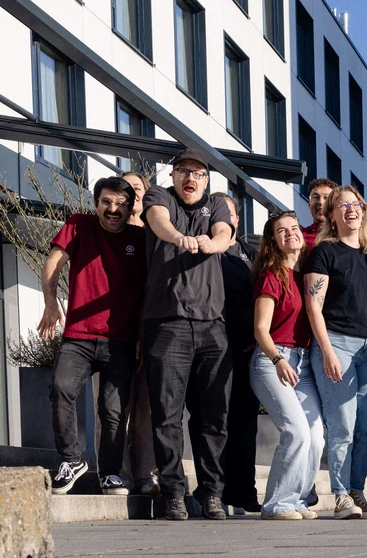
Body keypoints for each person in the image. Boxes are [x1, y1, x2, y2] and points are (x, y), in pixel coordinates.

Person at [141, 149, 236, 520]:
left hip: (214, 326)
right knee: (168, 414)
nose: (190, 179)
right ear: (175, 175)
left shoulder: (216, 205)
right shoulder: (160, 196)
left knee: (215, 415)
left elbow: (224, 232)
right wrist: (180, 238)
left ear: (207, 179)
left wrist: (214, 243)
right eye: (183, 172)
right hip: (168, 323)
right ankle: (173, 494)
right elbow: (158, 221)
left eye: (197, 173)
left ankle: (212, 493)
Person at [40, 176, 146, 496]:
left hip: (122, 341)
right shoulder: (78, 225)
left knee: (113, 411)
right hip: (79, 337)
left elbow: (148, 291)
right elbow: (53, 264)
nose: (113, 209)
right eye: (106, 202)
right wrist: (50, 303)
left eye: (120, 204)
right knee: (61, 389)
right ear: (96, 203)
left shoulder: (141, 239)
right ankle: (71, 460)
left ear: (130, 207)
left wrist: (143, 335)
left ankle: (110, 473)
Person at [303, 185, 367, 519]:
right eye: (343, 205)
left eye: (356, 204)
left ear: (363, 212)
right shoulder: (324, 253)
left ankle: (357, 493)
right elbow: (313, 305)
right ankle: (339, 496)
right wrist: (326, 351)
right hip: (335, 343)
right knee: (342, 425)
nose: (351, 209)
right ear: (333, 214)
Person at [248, 211, 321, 521]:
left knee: (316, 435)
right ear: (273, 241)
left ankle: (298, 499)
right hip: (272, 359)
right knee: (295, 431)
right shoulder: (272, 275)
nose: (290, 233)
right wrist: (277, 360)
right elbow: (260, 329)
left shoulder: (305, 276)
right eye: (282, 231)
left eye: (294, 228)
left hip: (302, 362)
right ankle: (277, 504)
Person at [211, 192, 262, 513]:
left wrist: (260, 336)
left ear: (237, 219)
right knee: (216, 420)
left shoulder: (251, 253)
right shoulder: (207, 250)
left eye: (227, 212)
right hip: (213, 349)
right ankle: (216, 491)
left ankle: (244, 492)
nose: (222, 218)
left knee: (246, 423)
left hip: (248, 350)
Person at [119, 171, 159, 496]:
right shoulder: (111, 232)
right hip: (114, 331)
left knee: (144, 407)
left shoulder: (154, 233)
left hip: (149, 330)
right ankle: (118, 474)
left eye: (137, 187)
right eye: (126, 188)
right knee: (116, 406)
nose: (132, 193)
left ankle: (145, 474)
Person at [301, 178, 338, 249]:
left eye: (326, 198)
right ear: (309, 205)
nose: (321, 202)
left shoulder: (344, 235)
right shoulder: (300, 237)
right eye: (316, 197)